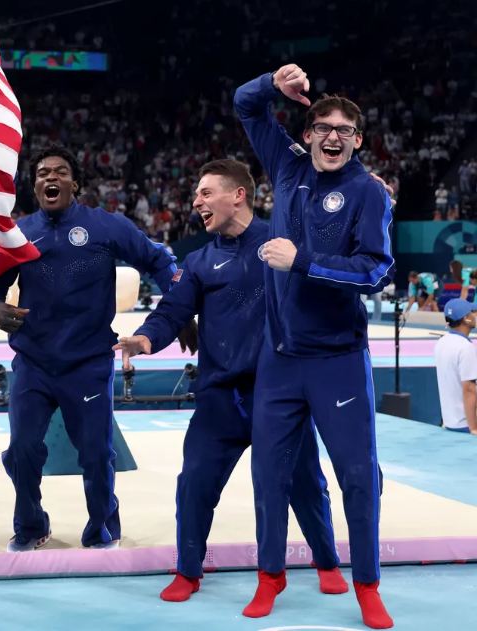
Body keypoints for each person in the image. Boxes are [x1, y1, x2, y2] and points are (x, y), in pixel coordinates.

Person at [114, 159, 346, 602]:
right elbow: (173, 312)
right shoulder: (199, 261)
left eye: (205, 192)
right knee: (195, 483)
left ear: (238, 194)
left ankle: (327, 561)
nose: (196, 201)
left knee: (305, 484)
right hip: (220, 397)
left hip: (280, 396)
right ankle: (188, 571)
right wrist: (145, 338)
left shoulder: (284, 244)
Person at [234, 64, 395, 628]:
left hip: (339, 361)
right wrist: (272, 86)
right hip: (280, 360)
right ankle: (270, 575)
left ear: (357, 141)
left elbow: (375, 271)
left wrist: (302, 260)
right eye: (321, 126)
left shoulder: (369, 193)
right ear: (306, 135)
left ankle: (368, 584)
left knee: (356, 475)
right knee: (269, 476)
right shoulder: (286, 167)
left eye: (344, 131)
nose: (332, 136)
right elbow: (244, 105)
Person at [0, 146, 178, 551]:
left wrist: (177, 310)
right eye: (42, 173)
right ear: (34, 186)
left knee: (95, 453)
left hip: (87, 362)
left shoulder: (105, 226)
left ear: (76, 184)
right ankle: (32, 526)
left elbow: (158, 260)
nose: (50, 178)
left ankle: (102, 526)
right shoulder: (17, 233)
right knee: (21, 450)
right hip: (33, 362)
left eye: (61, 172)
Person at [434, 299, 477, 434]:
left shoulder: (441, 342)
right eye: (473, 313)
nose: (475, 315)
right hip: (466, 423)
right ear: (466, 319)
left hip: (449, 421)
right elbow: (469, 389)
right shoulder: (465, 348)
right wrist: (473, 428)